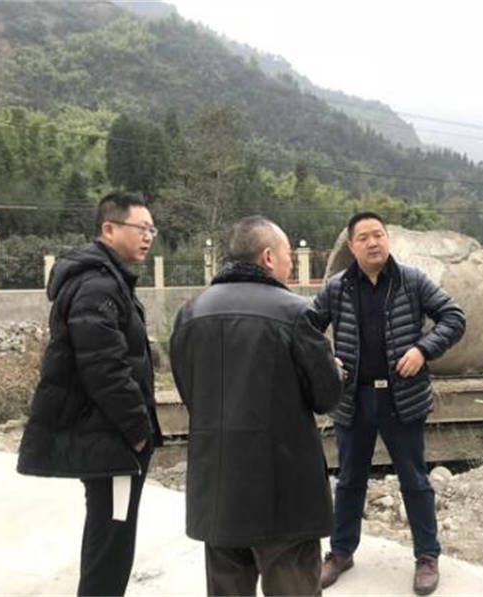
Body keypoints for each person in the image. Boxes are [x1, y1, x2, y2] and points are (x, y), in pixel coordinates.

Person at [169, 216, 343, 596]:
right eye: (287, 254)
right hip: (284, 490)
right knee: (293, 586)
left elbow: (190, 392)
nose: (291, 263)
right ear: (267, 257)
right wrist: (335, 371)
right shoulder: (295, 312)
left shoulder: (190, 313)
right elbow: (326, 396)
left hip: (218, 487)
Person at [17, 192, 162, 596]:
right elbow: (104, 368)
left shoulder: (106, 280)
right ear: (109, 228)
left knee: (107, 537)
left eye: (152, 230)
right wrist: (138, 431)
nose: (148, 237)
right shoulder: (98, 285)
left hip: (110, 435)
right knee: (110, 548)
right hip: (112, 441)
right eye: (141, 228)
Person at [313, 211, 466, 595]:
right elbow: (307, 330)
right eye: (363, 237)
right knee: (350, 479)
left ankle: (427, 556)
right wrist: (327, 360)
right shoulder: (337, 288)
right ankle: (341, 552)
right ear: (352, 246)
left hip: (402, 398)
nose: (373, 242)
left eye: (378, 234)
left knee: (414, 480)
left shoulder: (412, 281)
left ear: (387, 238)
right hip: (354, 398)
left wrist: (423, 349)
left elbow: (453, 317)